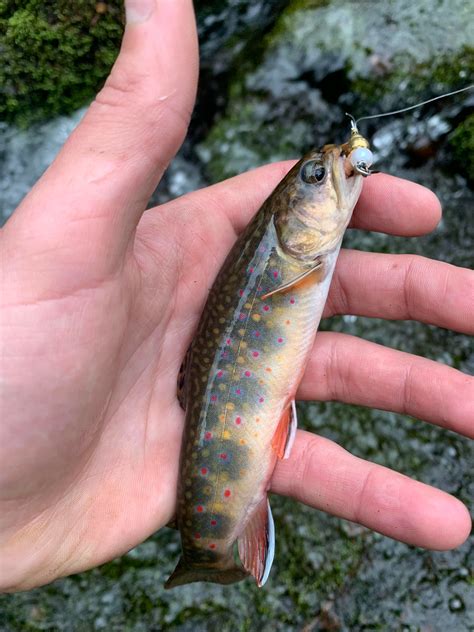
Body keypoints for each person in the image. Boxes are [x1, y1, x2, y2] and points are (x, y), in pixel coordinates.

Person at [0, 0, 472, 593]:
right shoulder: (295, 259)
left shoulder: (298, 256)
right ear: (286, 226)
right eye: (313, 178)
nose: (330, 168)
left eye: (316, 175)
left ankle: (209, 548)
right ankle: (208, 549)